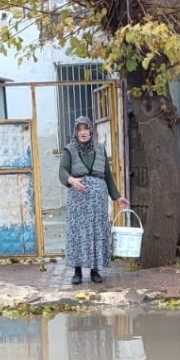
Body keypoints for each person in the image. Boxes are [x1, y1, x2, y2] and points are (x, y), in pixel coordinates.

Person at [59, 116, 128, 285]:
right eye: (79, 129)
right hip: (78, 200)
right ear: (76, 132)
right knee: (79, 233)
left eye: (86, 128)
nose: (83, 132)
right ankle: (77, 271)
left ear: (91, 130)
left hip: (98, 201)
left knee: (97, 232)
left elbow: (108, 176)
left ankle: (95, 270)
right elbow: (62, 171)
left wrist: (117, 197)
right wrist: (72, 180)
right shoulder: (69, 150)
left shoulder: (99, 149)